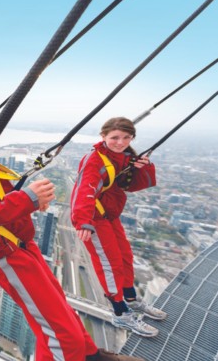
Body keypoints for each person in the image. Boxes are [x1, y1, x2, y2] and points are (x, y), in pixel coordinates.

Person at [0, 101, 148, 361]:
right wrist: (27, 198)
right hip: (4, 253)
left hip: (21, 246)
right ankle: (84, 358)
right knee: (60, 335)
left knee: (60, 312)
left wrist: (28, 202)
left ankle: (93, 357)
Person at [71, 117, 167, 337]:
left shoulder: (123, 158)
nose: (120, 142)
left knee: (125, 257)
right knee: (109, 263)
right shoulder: (95, 159)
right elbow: (84, 189)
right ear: (103, 136)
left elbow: (130, 185)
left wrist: (144, 167)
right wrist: (83, 220)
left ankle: (131, 300)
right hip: (94, 218)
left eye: (126, 137)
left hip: (109, 215)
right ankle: (120, 312)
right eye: (114, 137)